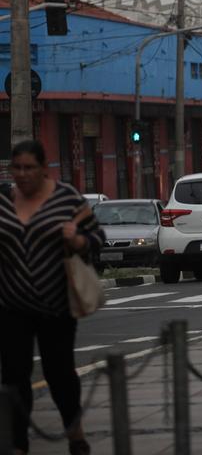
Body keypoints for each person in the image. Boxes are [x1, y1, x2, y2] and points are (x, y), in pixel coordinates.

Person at [0, 139, 103, 455]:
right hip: (10, 305)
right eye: (16, 168)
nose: (22, 174)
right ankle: (17, 444)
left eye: (29, 167)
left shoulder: (66, 198)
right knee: (15, 376)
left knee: (59, 373)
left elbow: (96, 238)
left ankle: (75, 433)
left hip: (56, 304)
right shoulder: (3, 200)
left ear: (44, 169)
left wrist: (78, 241)